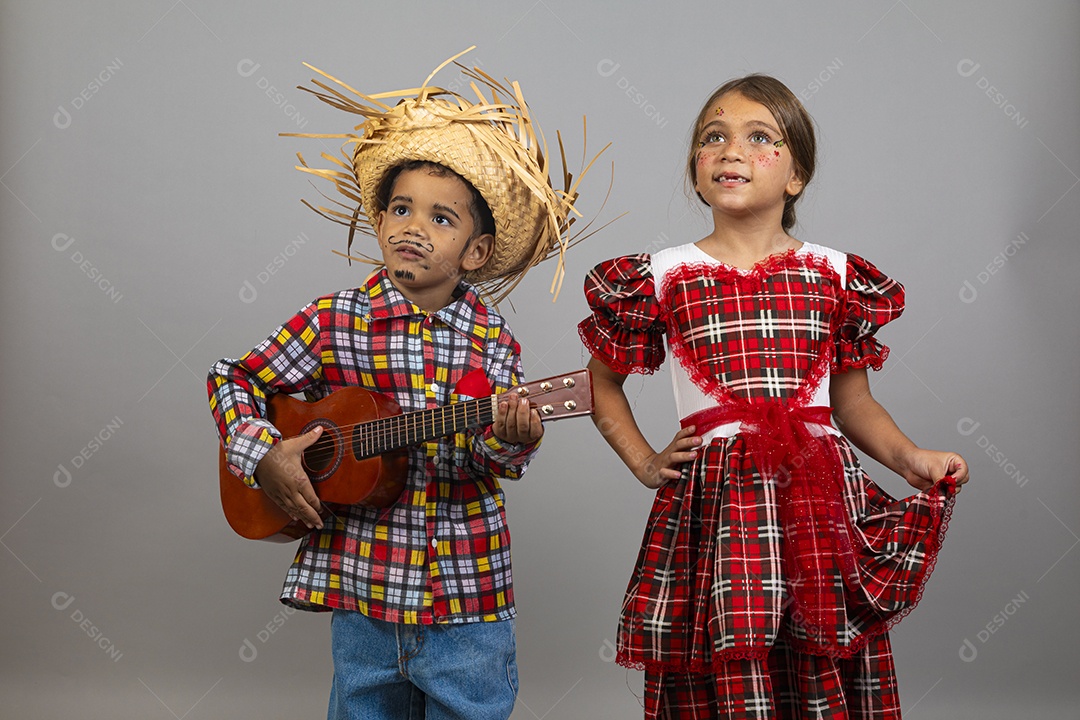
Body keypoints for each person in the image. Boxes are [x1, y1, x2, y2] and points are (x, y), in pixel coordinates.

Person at [208, 50, 602, 720]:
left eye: (441, 218)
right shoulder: (333, 320)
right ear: (382, 221)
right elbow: (234, 379)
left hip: (465, 593)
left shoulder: (492, 344)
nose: (413, 227)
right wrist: (264, 455)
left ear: (475, 254)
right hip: (363, 586)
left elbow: (490, 459)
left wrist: (511, 439)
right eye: (400, 209)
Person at [578, 75, 970, 718]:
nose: (732, 151)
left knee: (819, 645)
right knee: (729, 646)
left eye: (760, 138)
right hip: (720, 504)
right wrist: (646, 462)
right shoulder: (660, 276)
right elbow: (601, 380)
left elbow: (853, 403)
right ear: (697, 173)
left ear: (796, 176)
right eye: (714, 138)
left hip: (816, 498)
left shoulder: (836, 275)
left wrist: (908, 458)